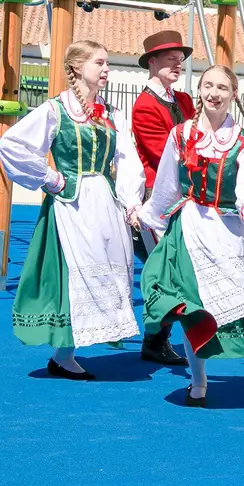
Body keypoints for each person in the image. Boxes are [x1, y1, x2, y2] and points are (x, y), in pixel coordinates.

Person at [135, 65, 244, 407]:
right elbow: (166, 186)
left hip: (226, 230)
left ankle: (210, 371)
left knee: (220, 304)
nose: (214, 93)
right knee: (194, 306)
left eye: (222, 87)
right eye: (207, 85)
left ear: (234, 94)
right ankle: (199, 380)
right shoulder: (180, 133)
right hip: (189, 227)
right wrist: (148, 215)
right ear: (200, 90)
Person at [0, 40, 143, 379]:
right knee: (71, 274)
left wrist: (130, 199)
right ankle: (64, 353)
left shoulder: (112, 113)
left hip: (104, 203)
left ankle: (65, 354)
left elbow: (126, 159)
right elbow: (10, 144)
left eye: (107, 63)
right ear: (78, 67)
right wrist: (51, 178)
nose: (106, 69)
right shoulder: (55, 110)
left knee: (102, 270)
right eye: (100, 63)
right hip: (71, 204)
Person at [130, 30, 195, 366]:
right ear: (151, 63)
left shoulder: (182, 100)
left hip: (184, 196)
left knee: (173, 271)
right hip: (159, 200)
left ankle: (158, 339)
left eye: (179, 58)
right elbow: (162, 155)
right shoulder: (144, 106)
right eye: (169, 58)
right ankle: (155, 340)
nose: (177, 63)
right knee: (167, 272)